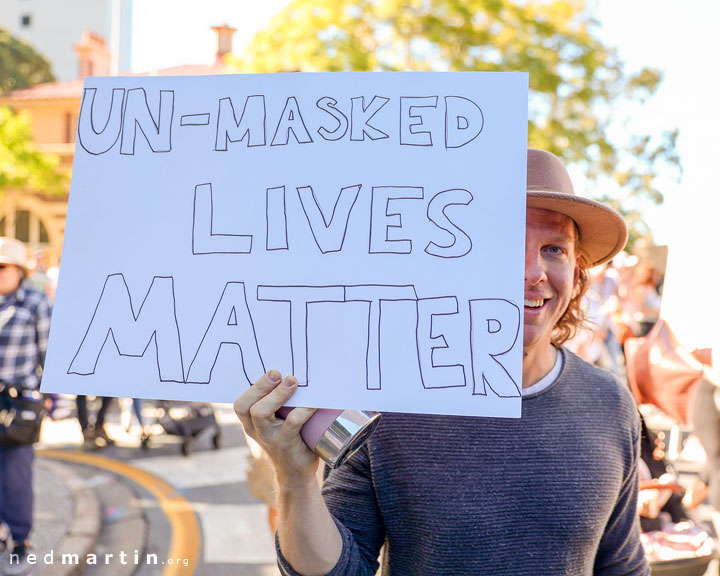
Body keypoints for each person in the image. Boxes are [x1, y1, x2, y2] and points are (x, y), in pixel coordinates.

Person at [235, 149, 649, 575]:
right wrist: (295, 480)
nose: (532, 271)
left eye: (554, 248)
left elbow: (622, 566)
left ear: (577, 273)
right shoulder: (388, 399)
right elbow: (340, 569)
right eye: (504, 245)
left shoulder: (609, 404)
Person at [0, 237, 52, 574]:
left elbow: (49, 355)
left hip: (18, 405)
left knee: (15, 476)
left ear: (19, 270)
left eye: (2, 266)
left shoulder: (35, 303)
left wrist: (51, 401)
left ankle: (20, 539)